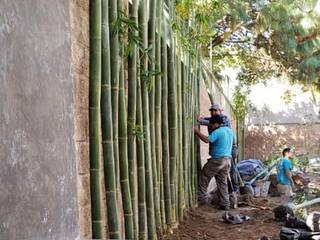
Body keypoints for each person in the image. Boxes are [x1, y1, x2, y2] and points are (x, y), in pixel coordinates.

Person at [194, 115, 234, 210]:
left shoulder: (218, 131)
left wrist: (196, 131)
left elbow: (207, 140)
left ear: (216, 124)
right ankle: (225, 203)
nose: (211, 126)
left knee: (204, 175)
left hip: (218, 159)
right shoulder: (229, 131)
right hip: (227, 160)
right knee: (222, 182)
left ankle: (202, 198)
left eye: (211, 124)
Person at [198, 103, 239, 191]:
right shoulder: (214, 120)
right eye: (212, 111)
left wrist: (201, 122)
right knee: (222, 178)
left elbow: (212, 124)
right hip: (223, 152)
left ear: (221, 111)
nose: (214, 112)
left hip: (229, 149)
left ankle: (234, 190)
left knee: (232, 170)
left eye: (216, 110)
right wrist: (202, 119)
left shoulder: (224, 120)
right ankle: (226, 201)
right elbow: (210, 120)